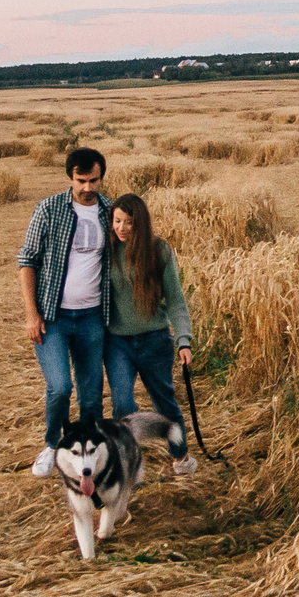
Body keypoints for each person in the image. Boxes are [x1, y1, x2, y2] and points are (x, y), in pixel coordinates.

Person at [16, 147, 114, 477]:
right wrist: (32, 314)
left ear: (102, 177)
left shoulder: (108, 211)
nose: (88, 187)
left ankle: (90, 455)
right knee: (59, 387)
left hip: (91, 317)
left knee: (91, 395)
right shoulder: (49, 209)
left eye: (94, 180)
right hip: (53, 317)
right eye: (81, 180)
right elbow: (27, 261)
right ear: (70, 177)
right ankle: (51, 445)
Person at [104, 193, 198, 477]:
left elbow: (176, 300)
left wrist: (184, 340)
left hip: (154, 341)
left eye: (128, 222)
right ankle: (128, 461)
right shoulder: (106, 251)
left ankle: (181, 456)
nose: (121, 228)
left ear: (140, 224)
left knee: (164, 402)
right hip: (117, 342)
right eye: (116, 221)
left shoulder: (160, 251)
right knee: (122, 404)